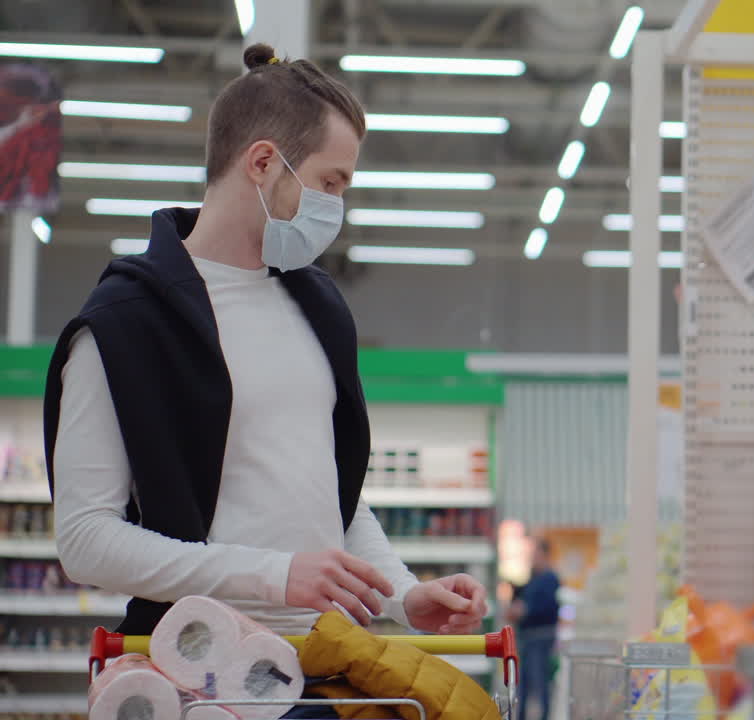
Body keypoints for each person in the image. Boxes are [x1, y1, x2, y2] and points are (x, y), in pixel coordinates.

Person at [43, 44, 487, 719]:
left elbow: (328, 492)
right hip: (202, 678)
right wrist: (273, 574)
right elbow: (84, 540)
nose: (338, 204)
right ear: (261, 164)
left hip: (330, 670)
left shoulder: (318, 307)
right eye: (331, 182)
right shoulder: (124, 326)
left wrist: (400, 594)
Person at [508, 540, 560, 720]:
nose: (533, 559)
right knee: (525, 682)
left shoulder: (550, 579)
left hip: (541, 636)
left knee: (539, 682)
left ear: (545, 556)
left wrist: (525, 610)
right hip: (528, 636)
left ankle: (543, 716)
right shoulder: (533, 579)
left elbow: (547, 607)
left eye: (536, 555)